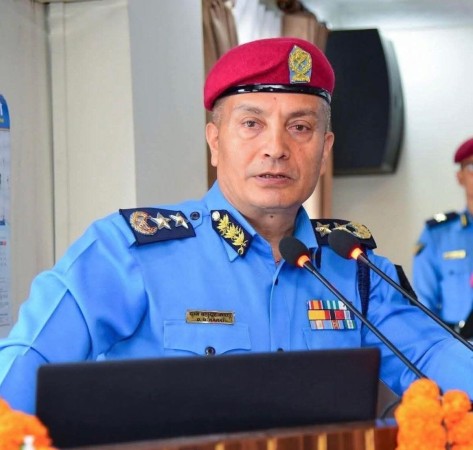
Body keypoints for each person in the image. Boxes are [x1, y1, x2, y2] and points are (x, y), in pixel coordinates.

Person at [1, 37, 472, 415]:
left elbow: (433, 355)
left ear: (325, 149)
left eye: (300, 127)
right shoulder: (128, 252)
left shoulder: (355, 270)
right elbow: (26, 368)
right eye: (251, 124)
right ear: (214, 141)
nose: (276, 148)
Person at [413, 137, 473, 339]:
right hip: (458, 344)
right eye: (472, 167)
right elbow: (424, 305)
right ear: (460, 177)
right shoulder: (437, 234)